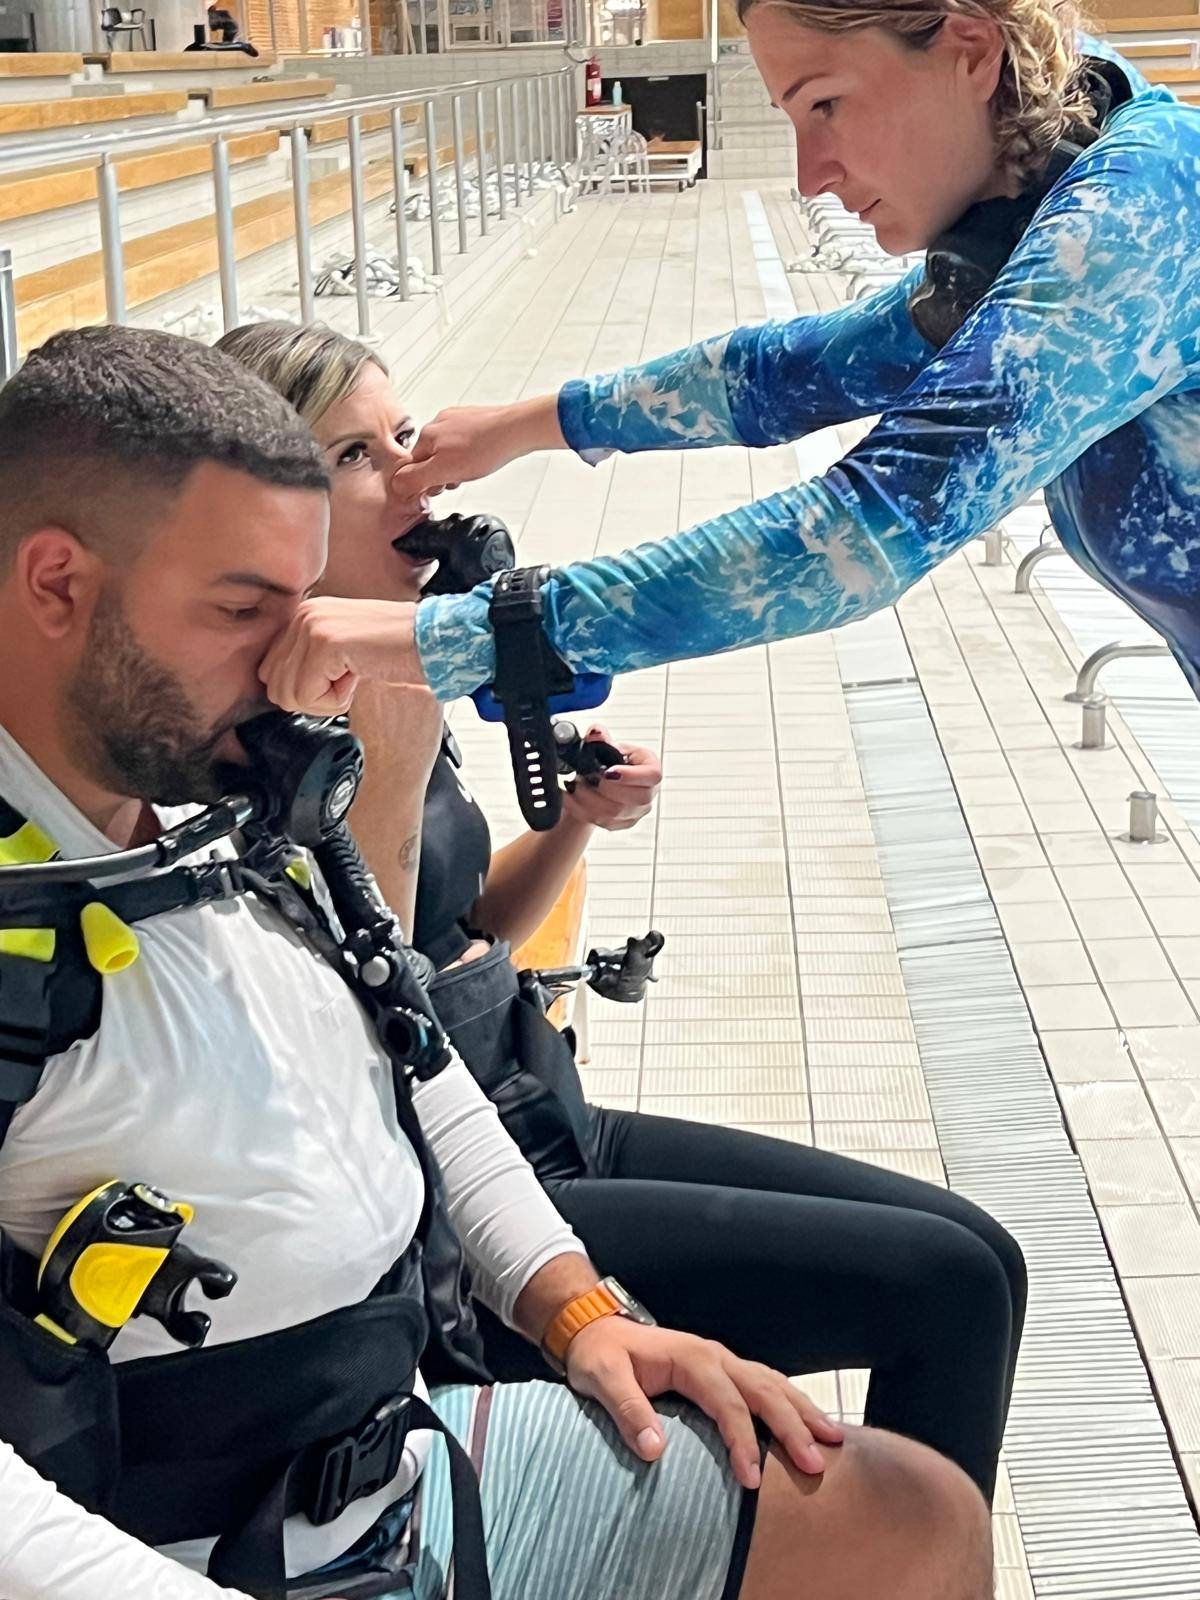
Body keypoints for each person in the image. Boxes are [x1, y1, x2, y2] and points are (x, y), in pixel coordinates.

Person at [0, 326, 993, 1600]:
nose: (291, 658)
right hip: (169, 1551)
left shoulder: (220, 796)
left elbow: (415, 1065)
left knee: (909, 1515)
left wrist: (581, 1312)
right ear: (56, 582)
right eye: (243, 610)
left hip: (394, 1472)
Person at [258, 5, 1199, 737]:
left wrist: (453, 639)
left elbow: (860, 534)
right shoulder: (1042, 180)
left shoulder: (1136, 223)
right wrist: (534, 422)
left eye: (826, 105)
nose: (810, 172)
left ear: (971, 49)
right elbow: (800, 371)